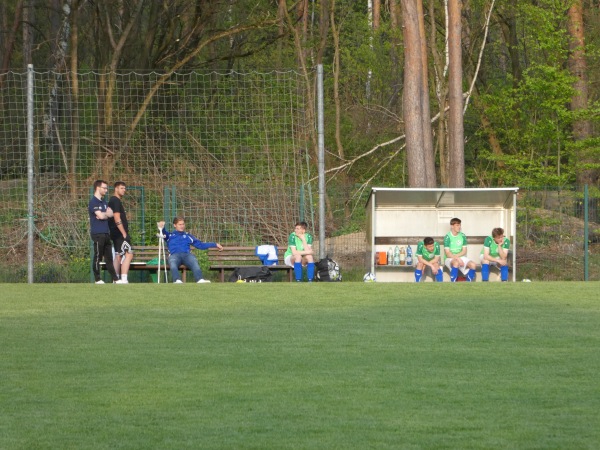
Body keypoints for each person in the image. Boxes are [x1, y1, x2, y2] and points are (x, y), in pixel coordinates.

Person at [157, 218, 223, 283]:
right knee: (172, 263)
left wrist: (215, 244)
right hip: (174, 255)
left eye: (183, 224)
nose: (182, 226)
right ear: (175, 225)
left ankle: (199, 279)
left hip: (187, 255)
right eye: (180, 224)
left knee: (194, 261)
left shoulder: (188, 236)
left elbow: (201, 245)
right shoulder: (170, 236)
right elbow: (163, 232)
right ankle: (177, 280)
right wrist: (162, 227)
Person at [88, 180, 120, 284]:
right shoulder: (93, 202)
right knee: (98, 256)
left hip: (106, 233)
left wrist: (104, 214)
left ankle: (116, 279)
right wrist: (104, 214)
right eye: (104, 188)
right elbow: (102, 215)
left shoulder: (104, 202)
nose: (106, 190)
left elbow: (109, 214)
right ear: (98, 188)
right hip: (97, 233)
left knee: (109, 258)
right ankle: (98, 279)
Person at [108, 181, 134, 283]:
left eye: (124, 188)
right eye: (122, 188)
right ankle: (123, 278)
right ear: (116, 189)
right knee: (129, 253)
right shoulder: (115, 201)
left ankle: (116, 279)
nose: (124, 190)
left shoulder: (113, 201)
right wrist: (124, 233)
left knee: (118, 255)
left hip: (115, 233)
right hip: (119, 233)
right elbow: (117, 218)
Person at [444, 217, 477, 282]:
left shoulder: (463, 236)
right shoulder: (447, 237)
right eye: (457, 225)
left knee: (473, 265)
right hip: (449, 258)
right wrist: (457, 258)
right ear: (452, 226)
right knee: (456, 263)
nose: (459, 227)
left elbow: (464, 251)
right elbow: (448, 253)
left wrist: (458, 257)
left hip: (460, 256)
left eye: (460, 225)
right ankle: (453, 283)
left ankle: (468, 284)